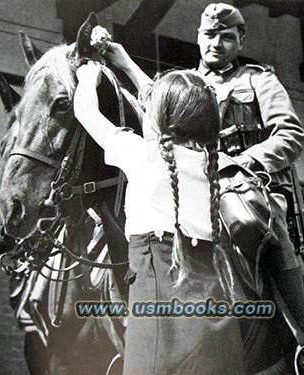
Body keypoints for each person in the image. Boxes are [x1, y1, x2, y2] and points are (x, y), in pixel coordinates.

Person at [102, 4, 304, 374]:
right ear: (198, 37)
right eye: (209, 35)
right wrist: (123, 61)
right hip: (194, 180)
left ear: (241, 40)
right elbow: (157, 102)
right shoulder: (187, 81)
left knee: (256, 225)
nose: (216, 43)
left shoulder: (259, 80)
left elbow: (291, 134)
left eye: (227, 37)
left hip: (247, 183)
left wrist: (244, 162)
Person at [74, 63, 247, 374]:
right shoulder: (216, 166)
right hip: (217, 317)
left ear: (158, 120)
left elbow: (85, 112)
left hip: (161, 313)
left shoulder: (143, 155)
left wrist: (88, 75)